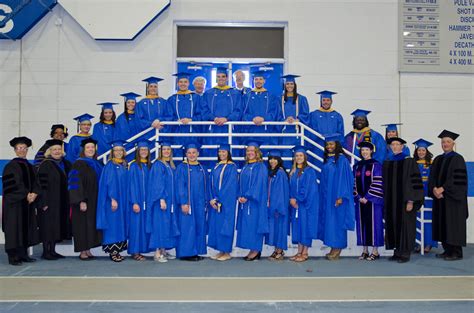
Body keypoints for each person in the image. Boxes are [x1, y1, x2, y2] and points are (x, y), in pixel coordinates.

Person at [429, 130, 468, 261]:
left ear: (453, 143)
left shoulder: (458, 158)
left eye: (448, 142)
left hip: (453, 200)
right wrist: (434, 189)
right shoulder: (438, 159)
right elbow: (432, 176)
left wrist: (443, 189)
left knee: (453, 224)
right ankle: (447, 250)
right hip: (440, 198)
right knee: (443, 224)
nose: (445, 144)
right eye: (443, 142)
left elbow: (457, 179)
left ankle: (456, 252)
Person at [383, 137, 424, 263]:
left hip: (405, 202)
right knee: (393, 225)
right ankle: (397, 252)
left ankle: (405, 253)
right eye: (393, 144)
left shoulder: (409, 161)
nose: (395, 146)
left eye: (397, 144)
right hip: (391, 202)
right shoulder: (388, 163)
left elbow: (415, 182)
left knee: (405, 226)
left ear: (402, 146)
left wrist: (411, 200)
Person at [2, 137, 40, 265]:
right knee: (14, 229)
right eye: (19, 148)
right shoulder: (10, 166)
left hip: (28, 203)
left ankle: (23, 254)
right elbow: (12, 185)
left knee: (26, 228)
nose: (22, 150)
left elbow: (36, 183)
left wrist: (34, 193)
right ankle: (13, 256)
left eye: (24, 148)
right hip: (15, 204)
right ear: (15, 150)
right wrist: (26, 195)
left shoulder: (31, 166)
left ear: (27, 150)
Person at [318, 134, 355, 260]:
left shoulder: (342, 160)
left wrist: (340, 196)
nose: (329, 146)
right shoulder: (328, 160)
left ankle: (338, 248)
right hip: (328, 197)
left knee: (338, 222)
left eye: (332, 144)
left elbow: (345, 179)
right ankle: (333, 247)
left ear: (337, 145)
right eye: (327, 144)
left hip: (338, 197)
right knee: (331, 222)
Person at [68, 138, 103, 260]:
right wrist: (80, 200)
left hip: (94, 200)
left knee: (90, 225)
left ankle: (88, 249)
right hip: (83, 201)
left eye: (92, 147)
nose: (91, 149)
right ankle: (82, 251)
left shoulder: (97, 164)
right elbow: (75, 183)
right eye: (88, 147)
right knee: (81, 225)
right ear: (83, 150)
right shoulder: (78, 163)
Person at [37, 139, 72, 260]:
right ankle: (46, 252)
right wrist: (43, 202)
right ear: (49, 152)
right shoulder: (45, 164)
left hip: (61, 201)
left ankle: (52, 250)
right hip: (49, 202)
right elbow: (41, 185)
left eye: (59, 149)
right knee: (47, 227)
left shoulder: (66, 164)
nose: (57, 151)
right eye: (54, 149)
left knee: (56, 226)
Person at [175, 143, 209, 261]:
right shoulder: (182, 167)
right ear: (186, 154)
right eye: (189, 153)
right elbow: (180, 186)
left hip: (199, 204)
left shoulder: (202, 168)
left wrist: (207, 201)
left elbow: (207, 186)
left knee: (199, 227)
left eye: (194, 152)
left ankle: (195, 251)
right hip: (188, 203)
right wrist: (183, 202)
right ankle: (186, 253)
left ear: (198, 153)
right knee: (187, 227)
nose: (192, 155)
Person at [146, 141, 179, 262]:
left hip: (169, 201)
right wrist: (161, 199)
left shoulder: (170, 165)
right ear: (160, 151)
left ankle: (163, 250)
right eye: (164, 149)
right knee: (159, 226)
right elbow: (157, 184)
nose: (166, 151)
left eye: (168, 149)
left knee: (166, 225)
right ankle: (157, 252)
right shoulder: (158, 165)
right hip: (161, 201)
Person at [96, 140, 129, 262]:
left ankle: (118, 250)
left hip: (122, 200)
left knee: (119, 224)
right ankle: (113, 252)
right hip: (113, 201)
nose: (119, 152)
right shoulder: (110, 166)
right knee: (113, 226)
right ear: (112, 152)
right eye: (116, 150)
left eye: (121, 150)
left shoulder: (124, 165)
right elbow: (109, 183)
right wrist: (113, 199)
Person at [236, 142, 269, 261]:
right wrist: (239, 195)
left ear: (257, 152)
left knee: (255, 225)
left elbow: (259, 184)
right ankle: (252, 249)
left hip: (255, 202)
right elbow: (240, 182)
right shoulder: (246, 166)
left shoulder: (261, 167)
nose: (250, 153)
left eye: (252, 151)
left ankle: (256, 250)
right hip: (246, 201)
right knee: (248, 226)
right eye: (248, 151)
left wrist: (247, 196)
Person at [353, 141, 384, 261]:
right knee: (362, 225)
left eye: (367, 150)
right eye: (362, 150)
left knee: (374, 225)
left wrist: (368, 197)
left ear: (371, 151)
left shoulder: (376, 165)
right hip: (360, 201)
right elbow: (353, 183)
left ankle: (375, 251)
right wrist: (358, 196)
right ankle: (365, 250)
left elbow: (378, 182)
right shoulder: (357, 166)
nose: (364, 152)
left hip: (373, 202)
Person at [208, 144, 238, 261]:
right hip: (216, 201)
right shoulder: (217, 166)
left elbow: (229, 186)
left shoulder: (231, 167)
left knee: (226, 225)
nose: (221, 154)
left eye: (224, 152)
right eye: (220, 152)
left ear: (228, 153)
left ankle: (227, 252)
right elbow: (211, 184)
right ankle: (221, 250)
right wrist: (212, 198)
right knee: (218, 226)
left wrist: (218, 199)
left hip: (226, 202)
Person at [288, 146, 319, 263]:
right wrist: (291, 198)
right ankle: (299, 251)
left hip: (305, 205)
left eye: (301, 155)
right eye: (296, 156)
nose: (298, 157)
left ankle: (305, 252)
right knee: (298, 228)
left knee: (305, 227)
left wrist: (297, 199)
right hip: (295, 204)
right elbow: (291, 187)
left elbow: (306, 188)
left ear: (305, 157)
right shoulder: (293, 171)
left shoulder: (309, 171)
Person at [201, 67, 242, 153]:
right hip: (213, 128)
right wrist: (214, 118)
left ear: (227, 78)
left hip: (230, 128)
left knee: (230, 151)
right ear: (216, 78)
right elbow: (204, 110)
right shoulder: (208, 93)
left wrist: (227, 119)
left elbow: (239, 110)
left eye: (223, 76)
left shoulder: (235, 93)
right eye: (218, 76)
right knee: (213, 152)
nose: (221, 78)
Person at [412, 138, 438, 253]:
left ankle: (428, 244)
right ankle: (418, 243)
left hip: (428, 196)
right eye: (419, 150)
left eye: (423, 150)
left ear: (426, 151)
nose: (421, 152)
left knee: (428, 220)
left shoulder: (432, 164)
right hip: (416, 195)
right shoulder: (412, 164)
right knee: (416, 220)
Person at [128, 140, 152, 261]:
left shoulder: (149, 165)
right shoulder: (133, 165)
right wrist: (134, 202)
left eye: (145, 150)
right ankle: (135, 251)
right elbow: (131, 185)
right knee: (136, 227)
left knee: (144, 226)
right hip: (137, 201)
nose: (144, 152)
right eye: (141, 150)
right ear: (138, 151)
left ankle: (142, 249)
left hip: (147, 202)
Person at [242, 70, 280, 146]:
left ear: (264, 81)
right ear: (253, 81)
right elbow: (243, 112)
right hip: (251, 131)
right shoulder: (247, 96)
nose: (258, 81)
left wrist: (264, 118)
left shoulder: (271, 96)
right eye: (256, 79)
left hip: (266, 130)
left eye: (260, 79)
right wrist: (252, 118)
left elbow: (274, 112)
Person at [168, 72, 204, 150]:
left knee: (192, 153)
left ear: (188, 83)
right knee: (177, 154)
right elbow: (169, 115)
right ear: (177, 83)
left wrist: (191, 120)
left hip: (193, 132)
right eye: (181, 82)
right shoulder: (172, 99)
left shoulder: (196, 97)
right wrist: (176, 120)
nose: (183, 84)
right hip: (177, 132)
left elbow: (201, 114)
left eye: (185, 82)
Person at [279, 75, 310, 150]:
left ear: (295, 85)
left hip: (297, 131)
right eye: (287, 84)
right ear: (284, 85)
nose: (289, 86)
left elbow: (306, 114)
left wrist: (298, 119)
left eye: (291, 84)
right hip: (284, 131)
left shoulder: (302, 99)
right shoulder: (279, 99)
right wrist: (284, 120)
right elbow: (276, 114)